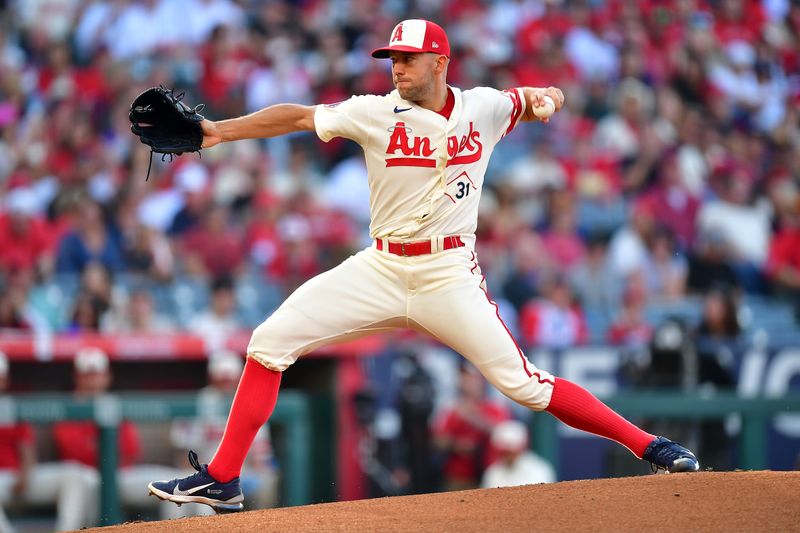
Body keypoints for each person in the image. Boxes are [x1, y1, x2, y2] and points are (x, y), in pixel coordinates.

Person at [148, 19, 699, 513]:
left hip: (449, 274)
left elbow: (527, 101)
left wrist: (548, 97)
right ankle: (223, 478)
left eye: (407, 59)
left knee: (524, 385)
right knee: (268, 342)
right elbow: (296, 116)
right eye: (392, 59)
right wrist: (219, 130)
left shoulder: (482, 106)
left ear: (440, 61)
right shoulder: (372, 111)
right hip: (380, 268)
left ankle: (650, 446)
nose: (397, 68)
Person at [52, 347, 186, 520]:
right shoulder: (69, 408)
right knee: (85, 481)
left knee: (175, 485)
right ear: (77, 377)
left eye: (97, 374)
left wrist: (99, 449)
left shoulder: (113, 404)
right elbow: (75, 453)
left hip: (122, 475)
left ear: (107, 377)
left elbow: (131, 450)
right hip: (87, 476)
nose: (93, 381)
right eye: (87, 375)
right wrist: (107, 451)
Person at [0, 351, 99, 532]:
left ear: (5, 380)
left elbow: (26, 450)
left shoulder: (12, 407)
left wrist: (25, 471)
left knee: (74, 474)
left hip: (15, 479)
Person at [169, 351, 278, 510]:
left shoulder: (252, 404)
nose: (227, 385)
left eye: (231, 380)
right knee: (201, 502)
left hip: (242, 473)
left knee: (268, 480)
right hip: (205, 472)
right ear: (212, 378)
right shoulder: (198, 403)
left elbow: (262, 457)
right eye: (222, 380)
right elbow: (183, 454)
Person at [434, 364, 510, 491]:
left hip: (489, 474)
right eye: (463, 379)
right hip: (458, 476)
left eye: (470, 379)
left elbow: (504, 433)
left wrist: (474, 418)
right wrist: (456, 445)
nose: (466, 383)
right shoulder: (452, 408)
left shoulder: (494, 407)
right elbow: (437, 441)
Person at [481, 420, 555, 488]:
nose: (507, 455)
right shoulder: (493, 472)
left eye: (510, 451)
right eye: (503, 452)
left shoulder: (539, 469)